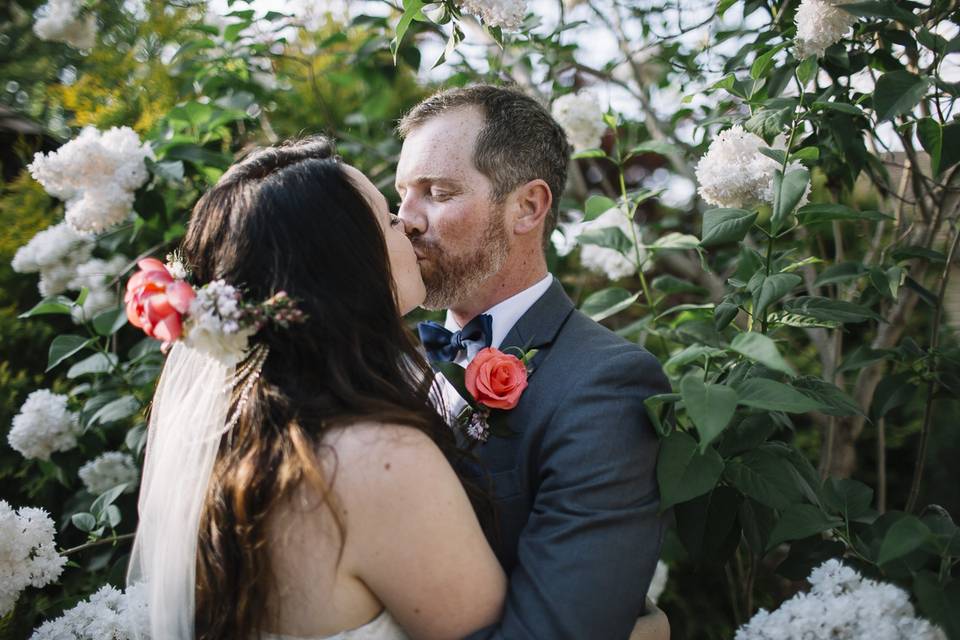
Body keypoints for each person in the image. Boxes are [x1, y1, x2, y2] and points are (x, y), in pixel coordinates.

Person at [127, 137, 507, 639]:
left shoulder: (239, 451)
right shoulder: (371, 458)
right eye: (387, 220)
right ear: (346, 261)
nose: (407, 223)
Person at [396, 84, 672, 639]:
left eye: (438, 192)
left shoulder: (606, 385)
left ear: (527, 207)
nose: (407, 220)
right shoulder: (386, 363)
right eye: (402, 193)